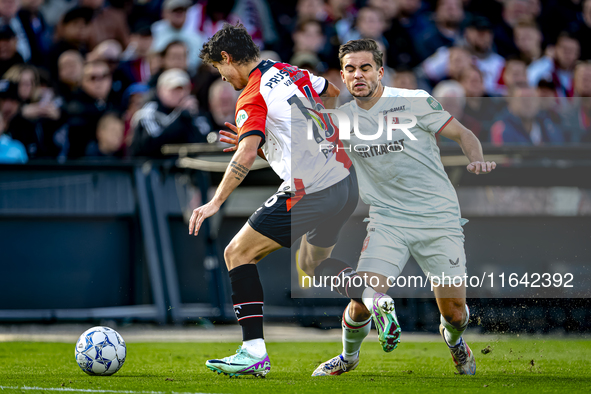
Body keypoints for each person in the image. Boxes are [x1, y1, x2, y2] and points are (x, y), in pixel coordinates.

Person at [306, 39, 495, 377]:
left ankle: (455, 343)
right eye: (350, 69)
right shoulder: (340, 120)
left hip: (438, 220)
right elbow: (300, 153)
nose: (357, 75)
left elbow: (464, 134)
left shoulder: (415, 101)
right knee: (364, 300)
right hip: (387, 221)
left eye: (365, 68)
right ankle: (349, 357)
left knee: (455, 314)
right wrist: (254, 142)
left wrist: (477, 160)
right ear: (343, 76)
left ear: (380, 71)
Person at [190, 23, 357, 377]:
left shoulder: (250, 94)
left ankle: (253, 352)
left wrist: (214, 202)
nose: (221, 79)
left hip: (309, 188)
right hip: (343, 181)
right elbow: (332, 90)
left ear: (226, 58)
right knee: (310, 265)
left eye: (219, 70)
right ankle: (371, 294)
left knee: (237, 253)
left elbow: (246, 154)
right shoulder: (286, 70)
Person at [130, 69, 203, 156]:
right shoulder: (149, 112)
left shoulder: (192, 113)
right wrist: (180, 115)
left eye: (183, 89)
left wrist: (189, 117)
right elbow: (151, 144)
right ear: (160, 90)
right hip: (152, 166)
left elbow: (202, 142)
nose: (180, 94)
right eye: (174, 89)